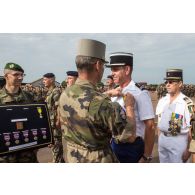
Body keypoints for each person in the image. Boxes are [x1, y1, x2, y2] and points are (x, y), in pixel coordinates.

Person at [59, 39, 136, 163]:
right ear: (98, 65)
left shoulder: (65, 93)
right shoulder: (102, 103)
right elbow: (129, 136)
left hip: (72, 156)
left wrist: (105, 94)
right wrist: (129, 107)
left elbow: (83, 104)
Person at [106, 52, 155, 163]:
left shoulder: (139, 93)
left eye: (115, 69)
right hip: (115, 144)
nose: (112, 73)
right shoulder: (115, 91)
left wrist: (146, 156)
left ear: (127, 70)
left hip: (132, 148)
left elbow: (150, 126)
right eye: (111, 70)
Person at [0, 62, 38, 163]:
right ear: (6, 76)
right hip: (6, 154)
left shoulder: (30, 97)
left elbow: (36, 120)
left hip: (27, 152)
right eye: (16, 74)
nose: (20, 78)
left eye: (22, 75)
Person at [156, 69, 194, 163]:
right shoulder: (162, 101)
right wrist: (160, 139)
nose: (167, 84)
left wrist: (189, 150)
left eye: (171, 82)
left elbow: (192, 128)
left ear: (180, 84)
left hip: (178, 141)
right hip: (163, 140)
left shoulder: (187, 103)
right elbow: (159, 122)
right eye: (166, 82)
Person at [43, 73, 65, 163]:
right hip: (50, 122)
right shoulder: (49, 91)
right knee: (53, 144)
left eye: (45, 79)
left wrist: (58, 121)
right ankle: (58, 161)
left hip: (55, 123)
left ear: (51, 80)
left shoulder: (56, 91)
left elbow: (58, 107)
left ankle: (56, 162)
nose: (43, 81)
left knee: (56, 144)